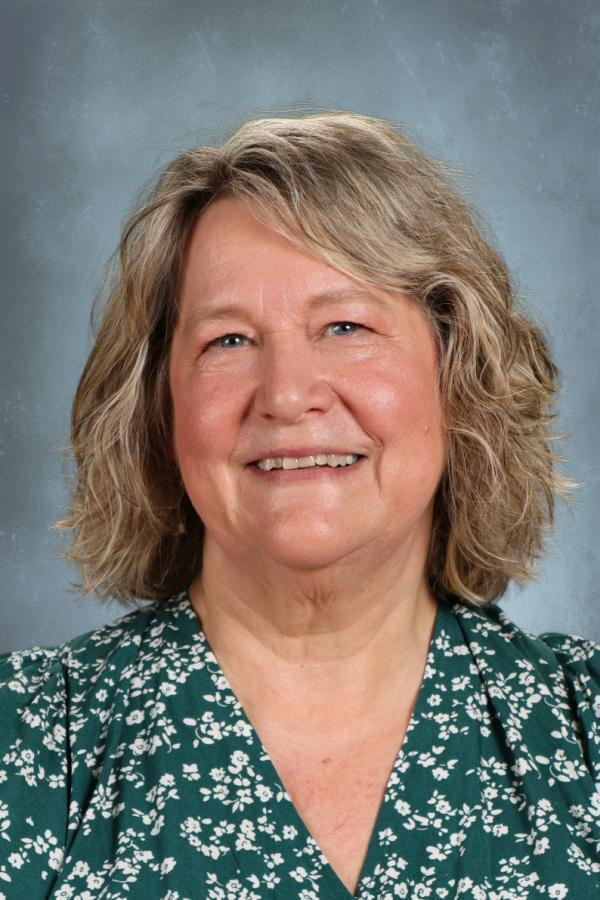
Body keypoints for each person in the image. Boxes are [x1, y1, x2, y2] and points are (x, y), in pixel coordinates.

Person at [0, 110, 598, 900]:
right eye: (228, 341)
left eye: (345, 326)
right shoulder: (26, 743)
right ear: (158, 407)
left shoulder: (585, 732)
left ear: (458, 373)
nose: (286, 395)